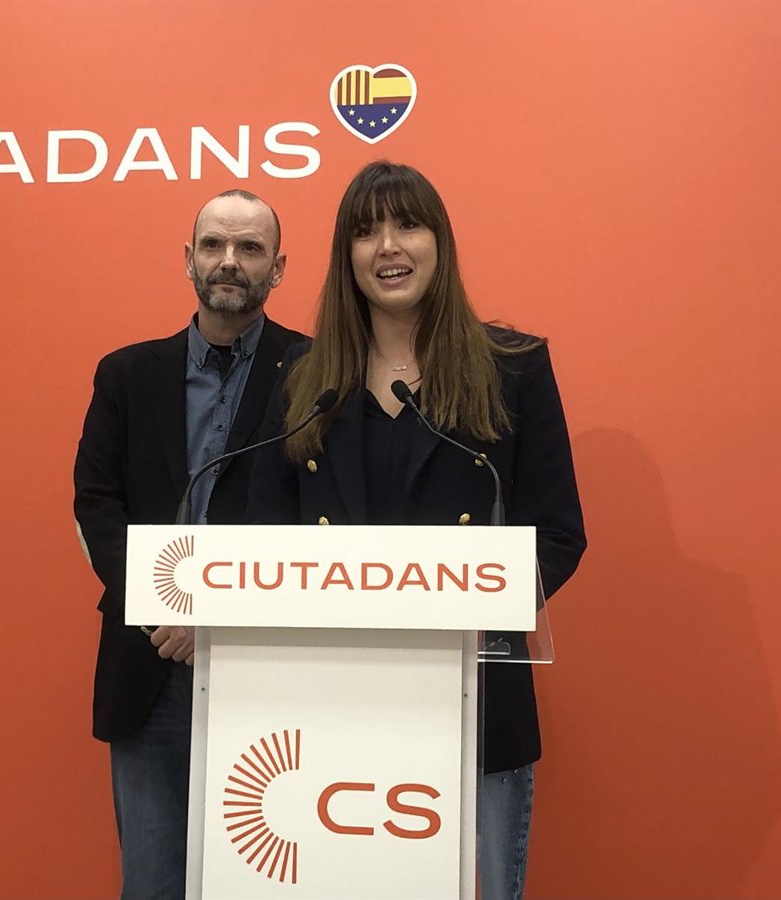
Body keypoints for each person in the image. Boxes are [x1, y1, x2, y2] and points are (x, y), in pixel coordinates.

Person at [246, 161, 585, 900]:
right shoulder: (304, 376)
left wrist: (472, 604)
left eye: (407, 225)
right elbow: (264, 530)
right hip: (332, 703)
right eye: (365, 232)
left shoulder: (513, 367)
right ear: (346, 256)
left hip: (476, 702)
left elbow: (558, 532)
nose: (388, 247)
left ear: (441, 241)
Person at [74, 190, 307, 899]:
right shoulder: (126, 375)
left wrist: (225, 616)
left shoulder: (316, 372)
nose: (229, 261)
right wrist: (169, 609)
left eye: (250, 248)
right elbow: (97, 504)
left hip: (272, 668)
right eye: (213, 245)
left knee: (271, 881)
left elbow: (321, 518)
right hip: (153, 664)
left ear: (278, 268)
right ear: (188, 259)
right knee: (153, 883)